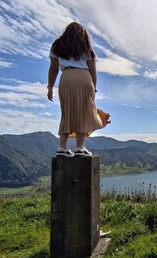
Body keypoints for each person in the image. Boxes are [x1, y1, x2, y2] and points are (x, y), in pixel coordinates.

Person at [47, 22, 107, 157]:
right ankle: (79, 147)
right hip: (84, 78)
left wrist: (50, 87)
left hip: (66, 78)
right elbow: (93, 70)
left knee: (66, 112)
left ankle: (62, 147)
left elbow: (53, 68)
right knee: (84, 112)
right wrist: (94, 89)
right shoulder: (86, 47)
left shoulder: (57, 46)